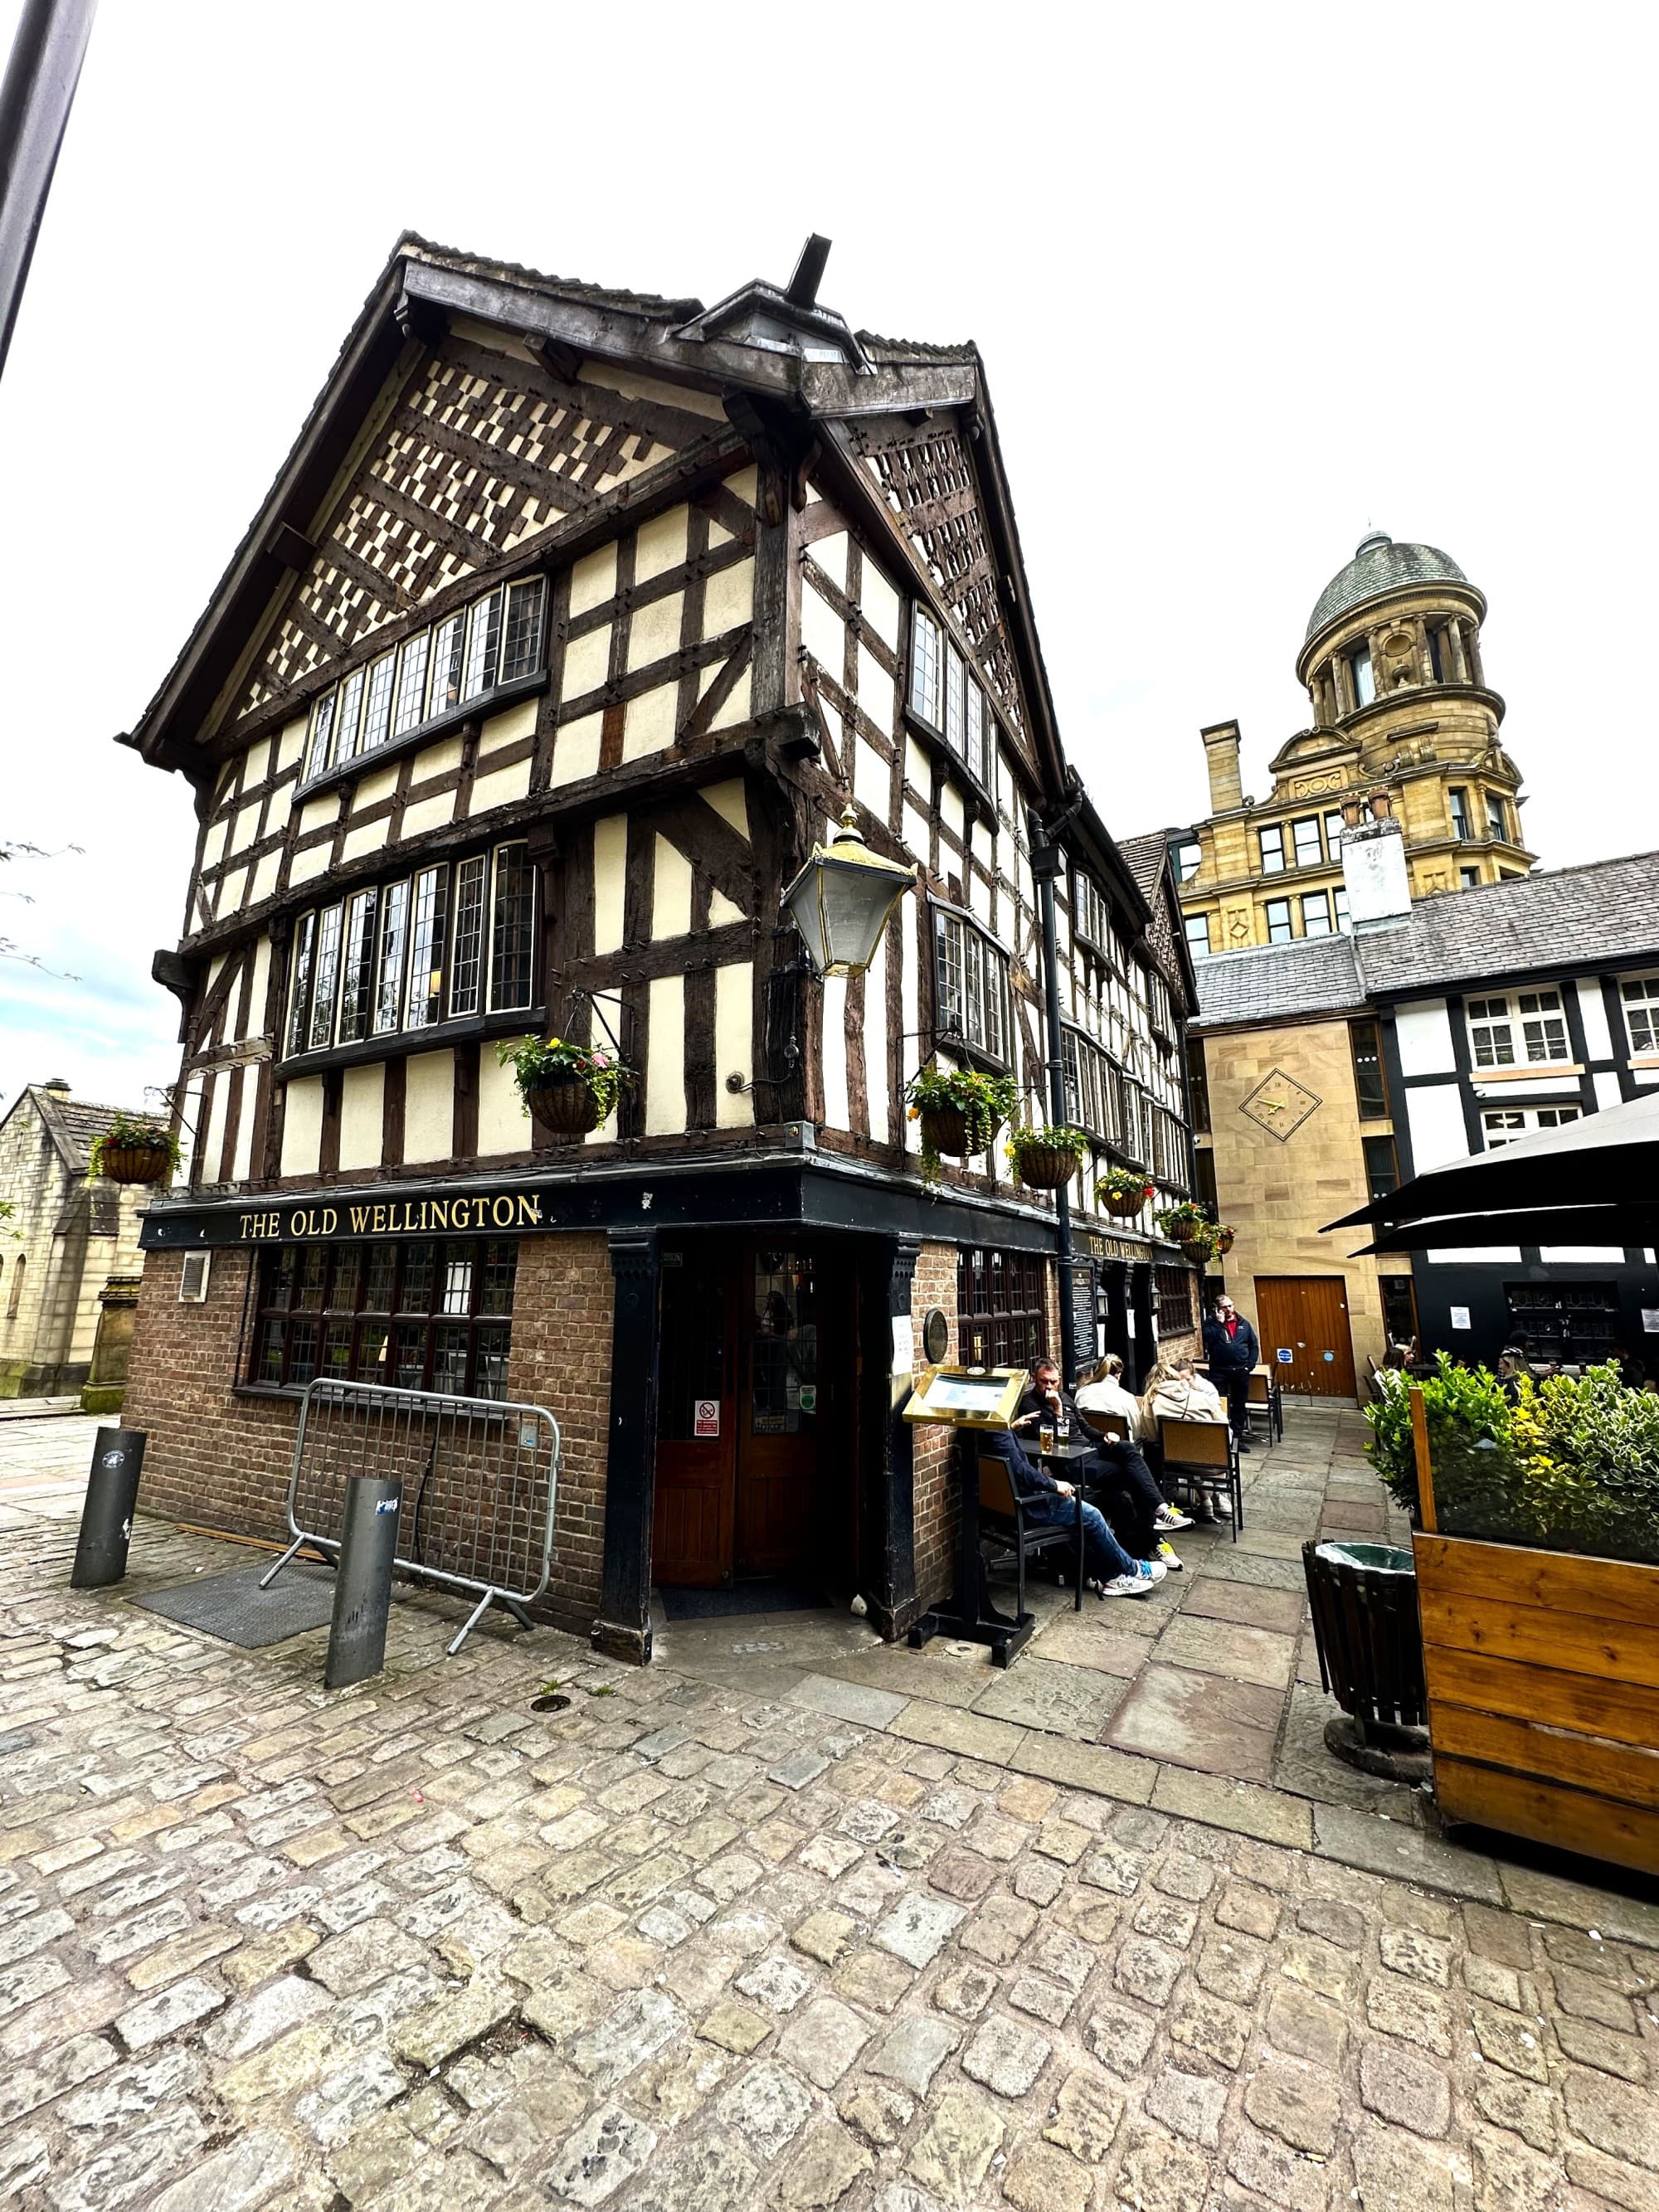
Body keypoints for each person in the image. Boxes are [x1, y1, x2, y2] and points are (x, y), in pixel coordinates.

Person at [1017, 1358, 1186, 1568]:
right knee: (1132, 1478)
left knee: (1126, 1448)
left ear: (1059, 1380)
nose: (1049, 1387)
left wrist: (1104, 1435)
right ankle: (1154, 1537)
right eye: (1044, 1381)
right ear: (1035, 1379)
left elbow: (1085, 1428)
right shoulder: (1029, 1404)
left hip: (1091, 1449)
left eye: (1053, 1382)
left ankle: (1159, 1508)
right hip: (1072, 1462)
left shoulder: (1067, 1397)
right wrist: (1057, 1410)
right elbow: (1053, 1447)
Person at [977, 1427, 1163, 1599]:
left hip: (1006, 1509)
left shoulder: (981, 1429)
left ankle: (1112, 1577)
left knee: (1085, 1516)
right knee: (1092, 1516)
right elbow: (1021, 1471)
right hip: (1029, 1507)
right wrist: (1054, 1485)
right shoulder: (997, 1432)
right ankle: (1132, 1569)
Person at [1143, 1355, 1231, 1524]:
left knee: (1154, 1450)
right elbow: (1224, 1425)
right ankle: (1218, 1497)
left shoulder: (1152, 1400)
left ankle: (1161, 1503)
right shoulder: (1200, 1396)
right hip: (1214, 1463)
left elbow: (1153, 1436)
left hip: (1175, 1461)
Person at [1202, 1295, 1259, 1451]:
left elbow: (1253, 1346)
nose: (1228, 1310)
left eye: (1230, 1306)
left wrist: (1250, 1365)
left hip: (1240, 1371)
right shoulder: (1211, 1324)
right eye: (1224, 1307)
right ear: (1217, 1308)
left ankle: (1237, 1439)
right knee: (1217, 1403)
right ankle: (1220, 1438)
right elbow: (1208, 1340)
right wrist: (1220, 1324)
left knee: (1239, 1405)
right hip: (1219, 1371)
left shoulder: (1243, 1324)